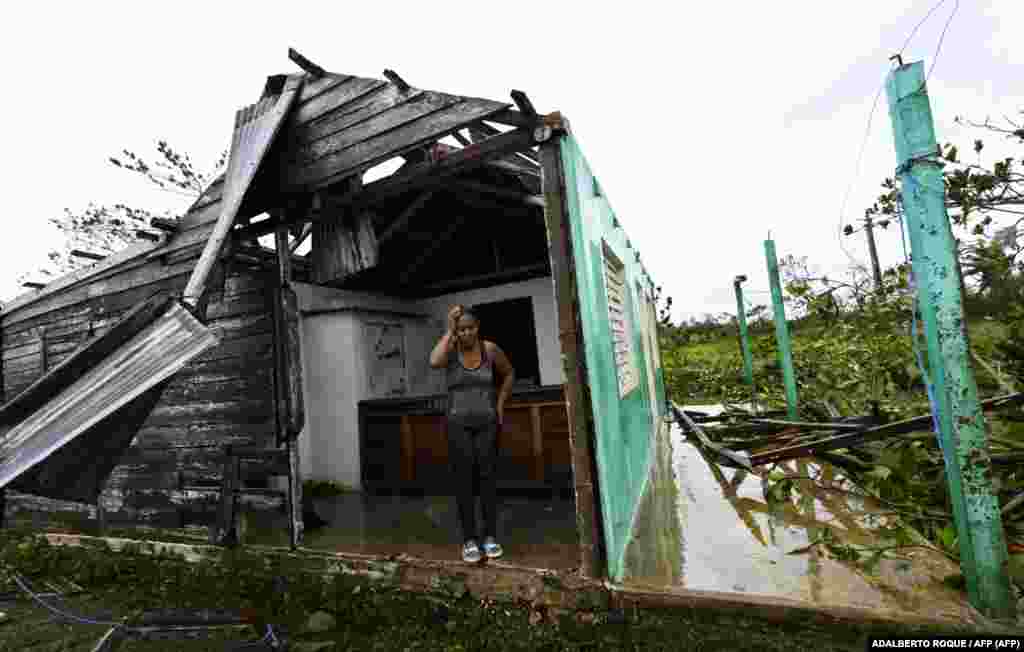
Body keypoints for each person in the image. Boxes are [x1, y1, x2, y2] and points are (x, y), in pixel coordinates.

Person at [429, 304, 515, 563]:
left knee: (487, 480)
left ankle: (489, 537)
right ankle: (469, 540)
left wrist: (499, 406)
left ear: (478, 328)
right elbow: (434, 361)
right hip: (458, 425)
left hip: (487, 423)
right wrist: (449, 329)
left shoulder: (490, 350)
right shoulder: (451, 352)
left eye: (470, 328)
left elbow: (509, 374)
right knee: (464, 481)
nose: (466, 333)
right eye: (461, 329)